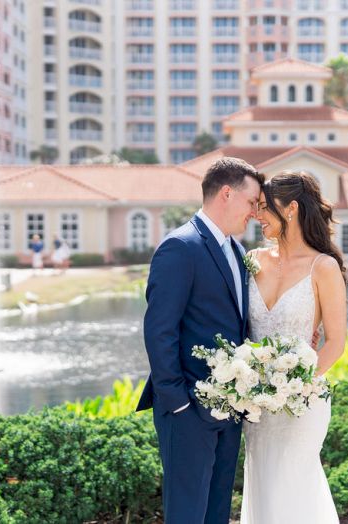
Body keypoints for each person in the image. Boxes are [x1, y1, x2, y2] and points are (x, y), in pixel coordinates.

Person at [135, 157, 264, 524]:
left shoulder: (238, 252)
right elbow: (160, 330)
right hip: (188, 410)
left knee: (217, 511)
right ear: (227, 193)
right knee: (187, 514)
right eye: (252, 202)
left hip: (229, 408)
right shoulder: (180, 246)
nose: (254, 213)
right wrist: (178, 403)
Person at [241, 171, 347, 523]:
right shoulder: (253, 260)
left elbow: (335, 342)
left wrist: (293, 386)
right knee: (264, 490)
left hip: (302, 402)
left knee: (294, 487)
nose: (257, 216)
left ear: (291, 209)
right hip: (256, 405)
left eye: (264, 208)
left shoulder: (323, 267)